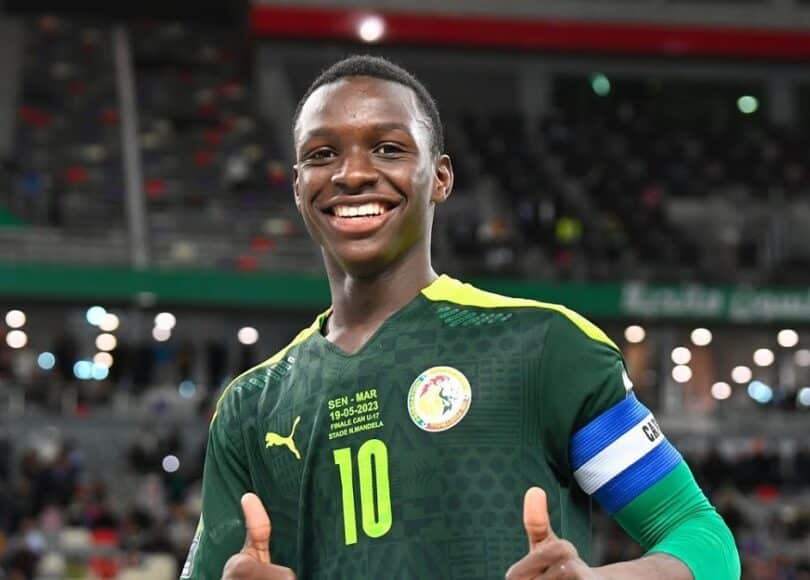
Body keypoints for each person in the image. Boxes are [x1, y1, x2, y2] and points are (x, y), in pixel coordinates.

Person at [182, 55, 740, 580]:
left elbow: (703, 539)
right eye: (322, 154)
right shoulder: (250, 407)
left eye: (388, 149)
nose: (352, 174)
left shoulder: (544, 348)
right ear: (297, 186)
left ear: (441, 178)